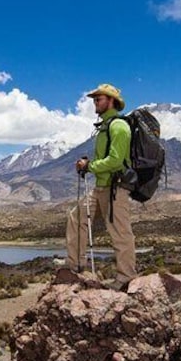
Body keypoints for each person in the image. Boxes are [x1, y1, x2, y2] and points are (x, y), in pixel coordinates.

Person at [65, 83, 136, 290]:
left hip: (115, 189)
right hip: (101, 187)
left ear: (111, 101)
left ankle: (126, 278)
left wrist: (90, 166)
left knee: (120, 233)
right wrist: (89, 166)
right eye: (94, 99)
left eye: (99, 99)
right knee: (76, 217)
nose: (95, 102)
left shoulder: (118, 126)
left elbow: (115, 161)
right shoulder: (105, 126)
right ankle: (75, 264)